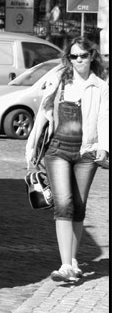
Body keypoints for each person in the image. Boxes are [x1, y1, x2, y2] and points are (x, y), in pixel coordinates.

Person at [25, 36, 109, 284]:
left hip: (86, 153)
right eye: (74, 56)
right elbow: (43, 114)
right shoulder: (59, 79)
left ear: (92, 56)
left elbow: (104, 118)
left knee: (79, 206)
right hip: (58, 150)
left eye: (83, 55)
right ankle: (65, 265)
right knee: (64, 203)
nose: (79, 60)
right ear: (68, 58)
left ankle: (72, 260)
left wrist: (104, 147)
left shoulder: (100, 86)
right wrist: (31, 146)